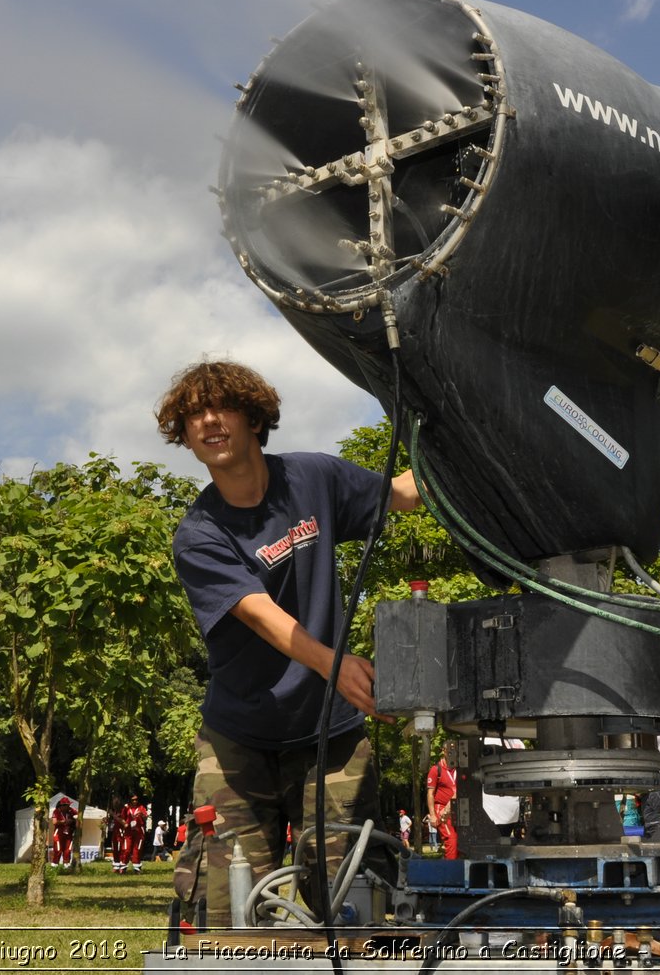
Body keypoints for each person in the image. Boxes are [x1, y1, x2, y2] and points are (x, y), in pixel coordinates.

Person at [157, 360, 420, 927]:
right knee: (227, 918)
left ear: (254, 416)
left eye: (219, 406)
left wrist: (463, 445)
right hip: (237, 743)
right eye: (191, 415)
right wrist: (336, 665)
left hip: (333, 738)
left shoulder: (313, 478)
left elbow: (402, 492)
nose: (206, 421)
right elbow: (263, 618)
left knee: (359, 911)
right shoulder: (199, 534)